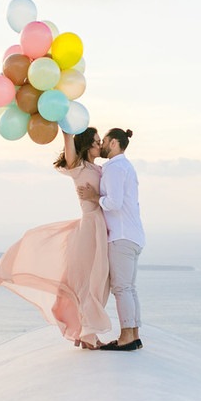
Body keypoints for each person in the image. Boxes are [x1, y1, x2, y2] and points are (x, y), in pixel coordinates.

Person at [0, 128, 111, 349]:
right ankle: (88, 335)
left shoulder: (100, 168)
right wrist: (67, 128)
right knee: (88, 282)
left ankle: (84, 333)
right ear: (85, 145)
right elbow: (68, 139)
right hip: (90, 227)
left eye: (99, 141)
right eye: (95, 141)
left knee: (99, 281)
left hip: (100, 228)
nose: (99, 144)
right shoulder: (78, 167)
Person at [78, 128, 145, 351]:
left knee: (122, 288)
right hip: (133, 236)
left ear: (114, 143)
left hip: (121, 236)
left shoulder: (115, 168)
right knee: (129, 288)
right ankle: (133, 335)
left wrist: (93, 197)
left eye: (104, 141)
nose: (102, 145)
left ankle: (127, 336)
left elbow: (114, 203)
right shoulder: (126, 166)